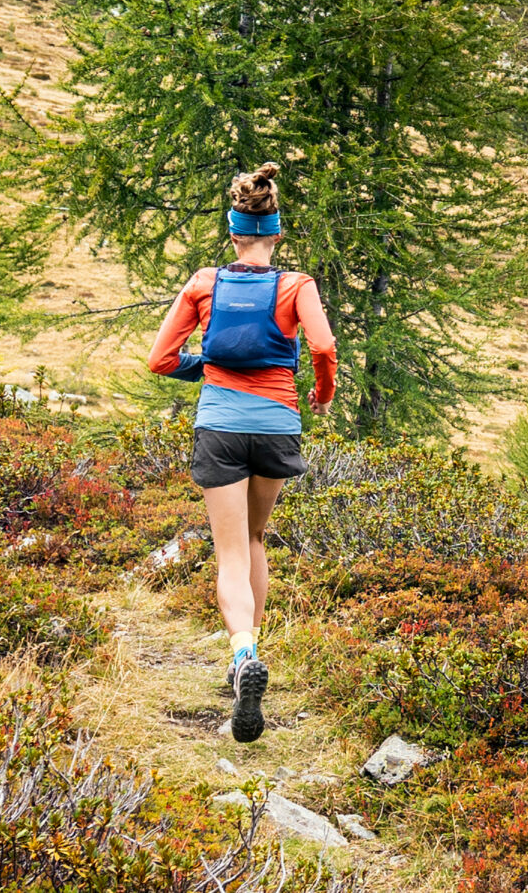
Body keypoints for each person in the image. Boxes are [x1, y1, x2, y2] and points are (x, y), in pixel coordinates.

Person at [144, 163, 338, 743]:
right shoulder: (296, 285)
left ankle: (242, 653)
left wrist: (205, 366)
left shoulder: (204, 283)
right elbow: (323, 346)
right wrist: (320, 394)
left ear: (233, 234)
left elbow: (159, 358)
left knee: (229, 551)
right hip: (277, 423)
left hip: (220, 425)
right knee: (255, 539)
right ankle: (249, 657)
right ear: (276, 234)